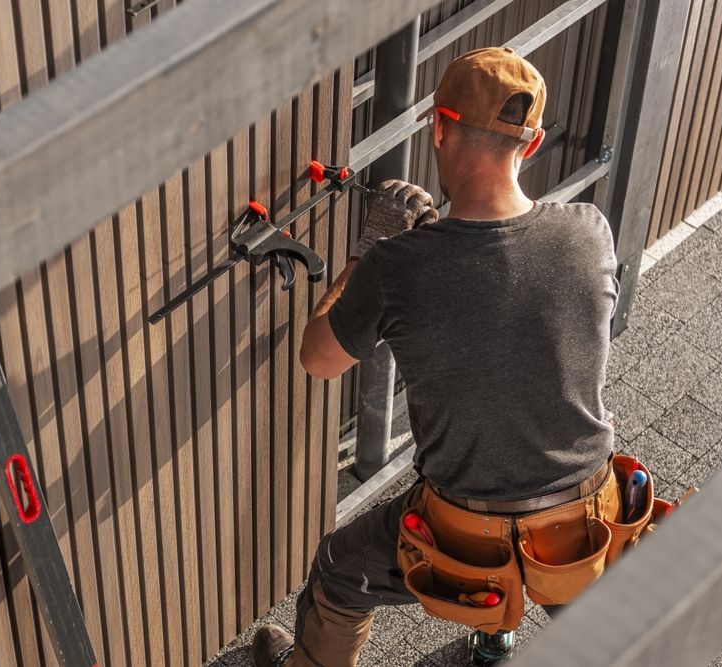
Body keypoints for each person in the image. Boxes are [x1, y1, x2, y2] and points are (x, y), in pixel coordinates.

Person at [252, 47, 623, 666]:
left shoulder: (399, 268)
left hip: (463, 536)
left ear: (439, 127)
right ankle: (501, 626)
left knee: (340, 570)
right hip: (581, 521)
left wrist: (372, 253)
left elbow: (317, 360)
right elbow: (525, 320)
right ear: (528, 147)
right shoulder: (589, 231)